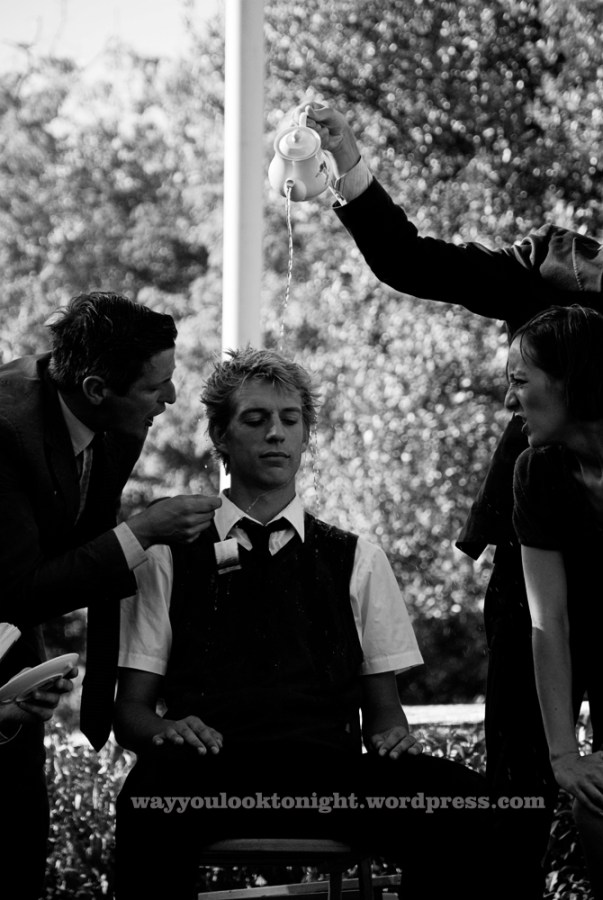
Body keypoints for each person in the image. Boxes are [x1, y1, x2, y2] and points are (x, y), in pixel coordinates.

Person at [289, 101, 603, 895]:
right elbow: (413, 262)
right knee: (519, 788)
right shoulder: (556, 266)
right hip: (538, 547)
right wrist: (347, 166)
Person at [113, 347, 506, 900]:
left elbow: (384, 714)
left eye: (290, 420)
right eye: (255, 419)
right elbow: (130, 713)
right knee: (145, 800)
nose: (276, 433)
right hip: (208, 777)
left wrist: (392, 740)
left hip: (329, 780)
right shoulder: (167, 556)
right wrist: (165, 732)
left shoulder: (357, 558)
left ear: (305, 435)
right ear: (220, 434)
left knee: (469, 805)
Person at [0, 291, 220, 899]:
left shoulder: (117, 422)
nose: (170, 397)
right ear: (97, 389)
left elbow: (86, 541)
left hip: (14, 651)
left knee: (20, 836)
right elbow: (15, 589)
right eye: (155, 386)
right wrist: (141, 533)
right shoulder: (6, 432)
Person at [507, 305, 603, 899]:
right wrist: (566, 756)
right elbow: (549, 622)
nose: (509, 400)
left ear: (572, 379)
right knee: (595, 805)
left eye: (520, 381)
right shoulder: (537, 474)